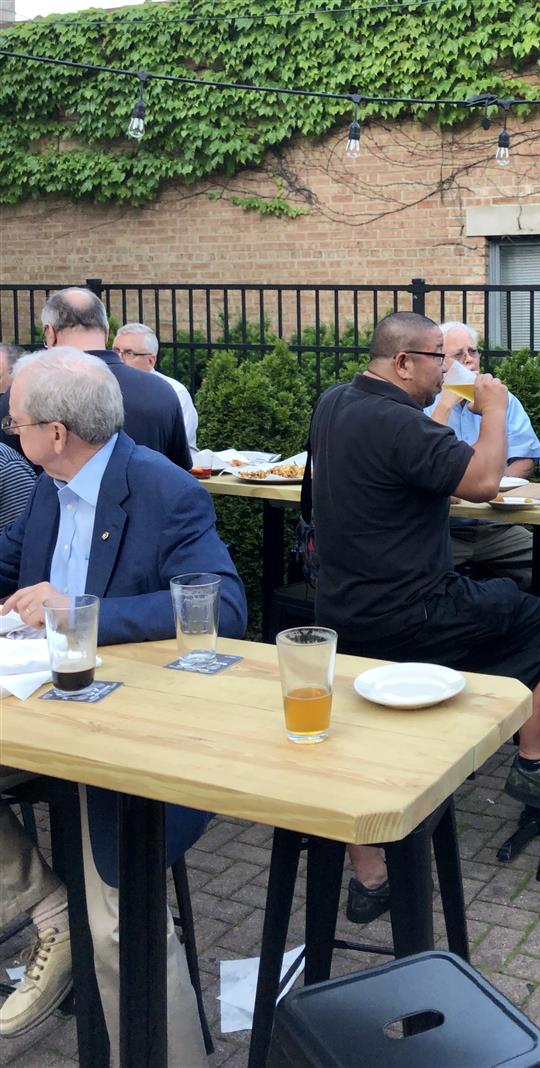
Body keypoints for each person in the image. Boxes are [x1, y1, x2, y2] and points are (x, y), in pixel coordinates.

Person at [0, 347, 246, 1060]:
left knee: (114, 923)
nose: (10, 431)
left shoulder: (161, 487)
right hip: (41, 714)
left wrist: (78, 611)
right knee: (82, 915)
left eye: (14, 422)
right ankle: (48, 910)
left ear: (55, 433)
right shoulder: (49, 485)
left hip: (126, 733)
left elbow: (224, 608)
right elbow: (9, 564)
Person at [309, 312, 540, 923]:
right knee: (536, 616)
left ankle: (371, 876)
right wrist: (493, 408)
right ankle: (528, 763)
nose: (446, 372)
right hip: (413, 611)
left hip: (341, 610)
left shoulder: (334, 403)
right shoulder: (399, 421)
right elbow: (482, 480)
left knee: (359, 732)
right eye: (437, 360)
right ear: (403, 363)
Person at [426, 320, 540, 608]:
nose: (469, 360)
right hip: (443, 528)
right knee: (423, 583)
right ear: (439, 362)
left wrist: (489, 490)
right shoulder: (427, 402)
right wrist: (446, 403)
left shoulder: (502, 400)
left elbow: (524, 461)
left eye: (473, 351)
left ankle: (530, 632)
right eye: (458, 355)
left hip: (495, 524)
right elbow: (426, 463)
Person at [0, 290, 190, 470]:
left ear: (50, 333)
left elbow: (9, 471)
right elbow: (179, 470)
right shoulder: (161, 391)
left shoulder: (22, 392)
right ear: (106, 332)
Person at [112, 323, 198, 452]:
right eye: (115, 351)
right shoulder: (104, 388)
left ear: (151, 361)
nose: (119, 359)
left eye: (129, 353)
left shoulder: (175, 392)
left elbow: (181, 448)